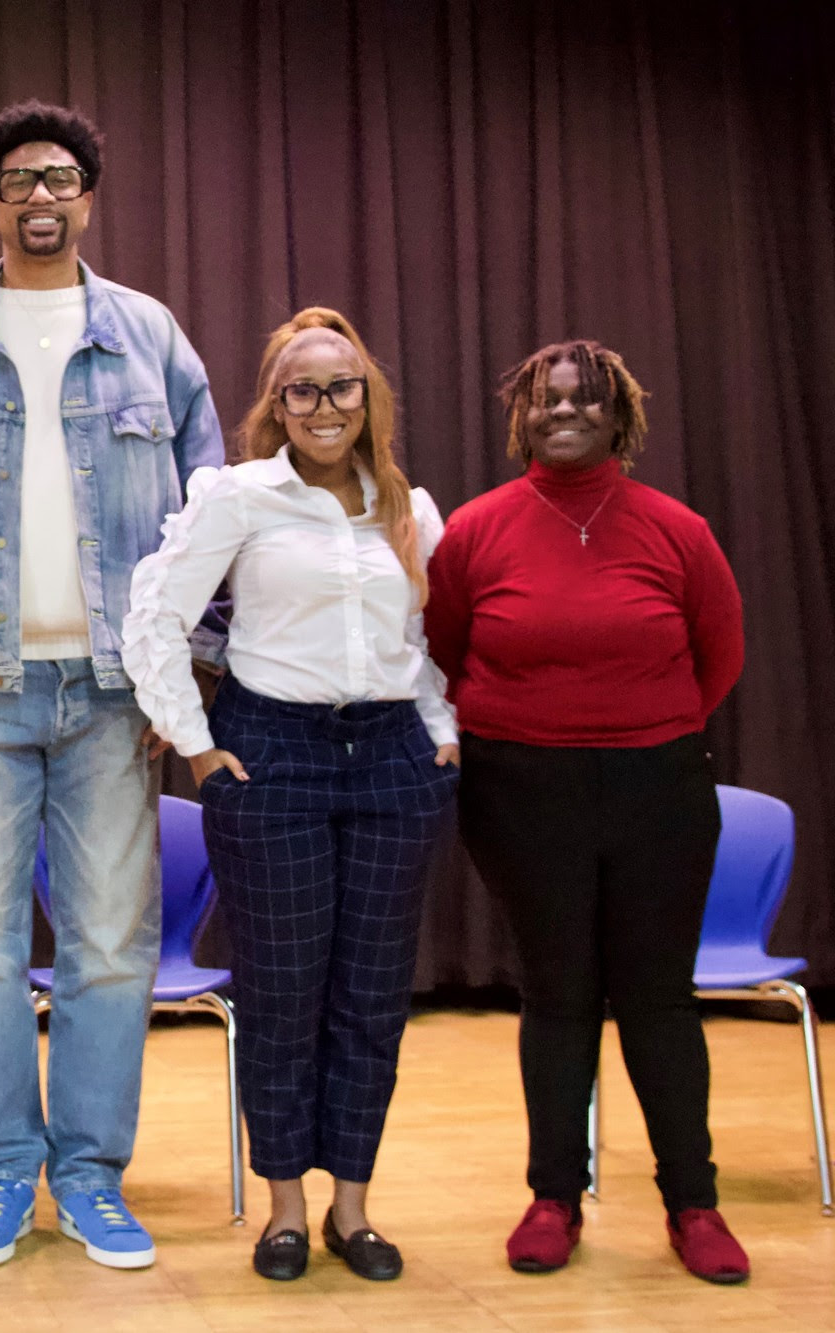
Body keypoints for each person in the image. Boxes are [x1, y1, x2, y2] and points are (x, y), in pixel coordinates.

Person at [0, 100, 224, 1270]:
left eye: (59, 176)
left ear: (86, 196)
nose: (39, 195)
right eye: (17, 179)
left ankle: (89, 1175)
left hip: (115, 697)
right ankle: (4, 1174)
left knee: (111, 944)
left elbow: (214, 522)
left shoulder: (151, 336)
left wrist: (183, 677)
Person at [124, 308, 459, 1282]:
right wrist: (194, 744)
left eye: (341, 386)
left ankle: (350, 1210)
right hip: (272, 756)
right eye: (301, 389)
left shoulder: (408, 508)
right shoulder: (237, 496)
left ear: (368, 397)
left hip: (392, 760)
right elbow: (154, 614)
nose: (323, 405)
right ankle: (280, 1209)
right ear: (276, 405)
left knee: (368, 999)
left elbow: (425, 644)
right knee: (280, 994)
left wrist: (436, 734)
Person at [425, 340, 748, 1284]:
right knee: (558, 996)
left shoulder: (676, 529)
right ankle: (553, 1198)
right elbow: (446, 649)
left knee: (657, 999)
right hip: (523, 793)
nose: (564, 412)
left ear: (621, 418)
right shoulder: (478, 531)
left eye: (586, 401)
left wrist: (641, 727)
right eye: (546, 401)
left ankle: (694, 1202)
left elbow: (716, 655)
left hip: (660, 790)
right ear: (522, 415)